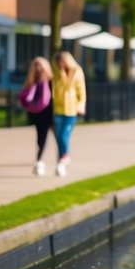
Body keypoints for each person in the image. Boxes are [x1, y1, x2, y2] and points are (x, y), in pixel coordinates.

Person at [51, 50, 87, 178]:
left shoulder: (77, 71)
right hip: (58, 109)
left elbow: (81, 90)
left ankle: (65, 156)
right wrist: (60, 72)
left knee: (64, 135)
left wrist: (81, 105)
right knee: (58, 136)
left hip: (71, 109)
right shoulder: (56, 72)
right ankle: (62, 161)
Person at [18, 56, 53, 176]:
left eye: (40, 66)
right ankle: (40, 160)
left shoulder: (50, 81)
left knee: (45, 136)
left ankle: (40, 160)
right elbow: (24, 95)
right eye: (36, 65)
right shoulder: (32, 81)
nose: (38, 68)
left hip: (47, 112)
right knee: (40, 137)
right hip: (35, 113)